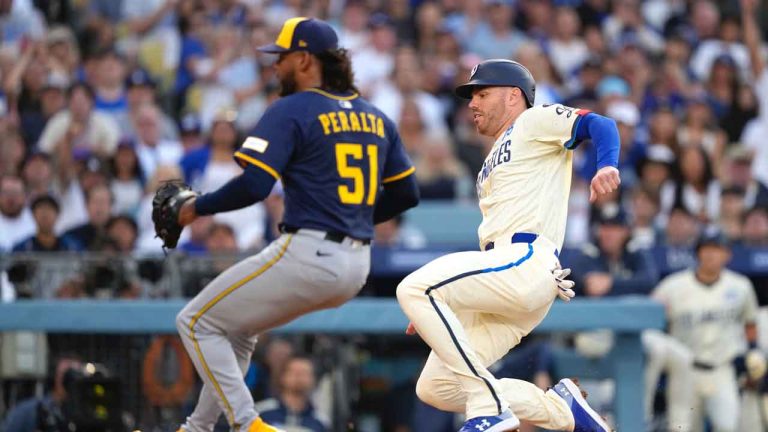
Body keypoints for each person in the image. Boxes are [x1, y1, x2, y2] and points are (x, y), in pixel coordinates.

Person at [173, 17, 419, 432]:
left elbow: (255, 185)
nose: (275, 65)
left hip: (309, 252)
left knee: (195, 321)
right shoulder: (376, 117)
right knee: (238, 331)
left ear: (305, 60)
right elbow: (406, 194)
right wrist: (355, 217)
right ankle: (197, 428)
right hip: (356, 264)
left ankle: (248, 424)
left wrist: (197, 207)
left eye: (282, 56)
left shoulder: (292, 108)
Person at [396, 59, 620, 432]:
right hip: (503, 274)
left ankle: (488, 407)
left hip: (525, 259)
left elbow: (599, 124)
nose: (472, 103)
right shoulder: (492, 157)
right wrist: (445, 296)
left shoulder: (533, 120)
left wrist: (607, 165)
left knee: (413, 287)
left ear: (513, 95)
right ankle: (561, 411)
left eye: (482, 93)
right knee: (436, 387)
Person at [650, 229, 761, 432]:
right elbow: (650, 321)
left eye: (717, 249)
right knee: (681, 428)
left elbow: (750, 322)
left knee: (728, 426)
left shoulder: (740, 286)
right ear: (698, 253)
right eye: (706, 248)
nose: (710, 254)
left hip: (722, 369)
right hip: (685, 370)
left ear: (727, 254)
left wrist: (753, 349)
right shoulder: (672, 286)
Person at [254, 356, 328, 432]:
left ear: (314, 379)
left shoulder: (320, 421)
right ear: (283, 376)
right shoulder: (262, 411)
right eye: (294, 372)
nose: (299, 377)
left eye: (304, 373)